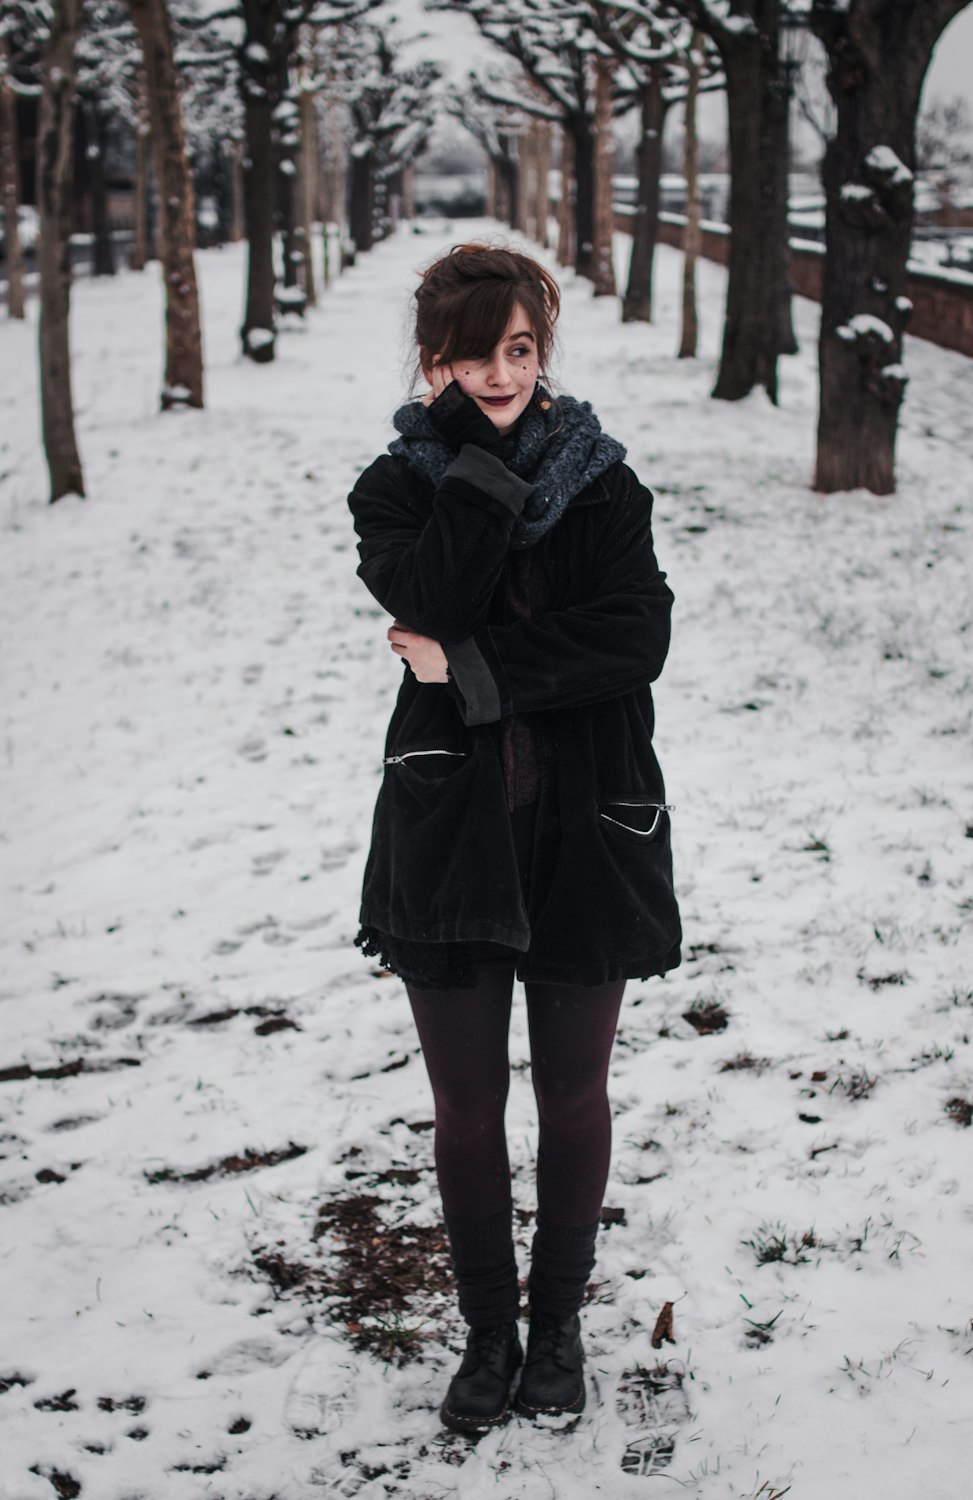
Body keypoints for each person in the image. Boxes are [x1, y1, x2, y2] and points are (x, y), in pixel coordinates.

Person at [347, 242, 681, 1435]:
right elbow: (429, 598)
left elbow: (634, 637)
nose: (504, 372)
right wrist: (480, 472)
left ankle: (557, 1329)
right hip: (451, 835)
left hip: (591, 825)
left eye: (523, 351)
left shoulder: (604, 486)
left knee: (574, 1096)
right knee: (466, 1106)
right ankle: (488, 1333)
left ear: (544, 351)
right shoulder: (395, 491)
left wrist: (473, 671)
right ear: (437, 361)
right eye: (479, 354)